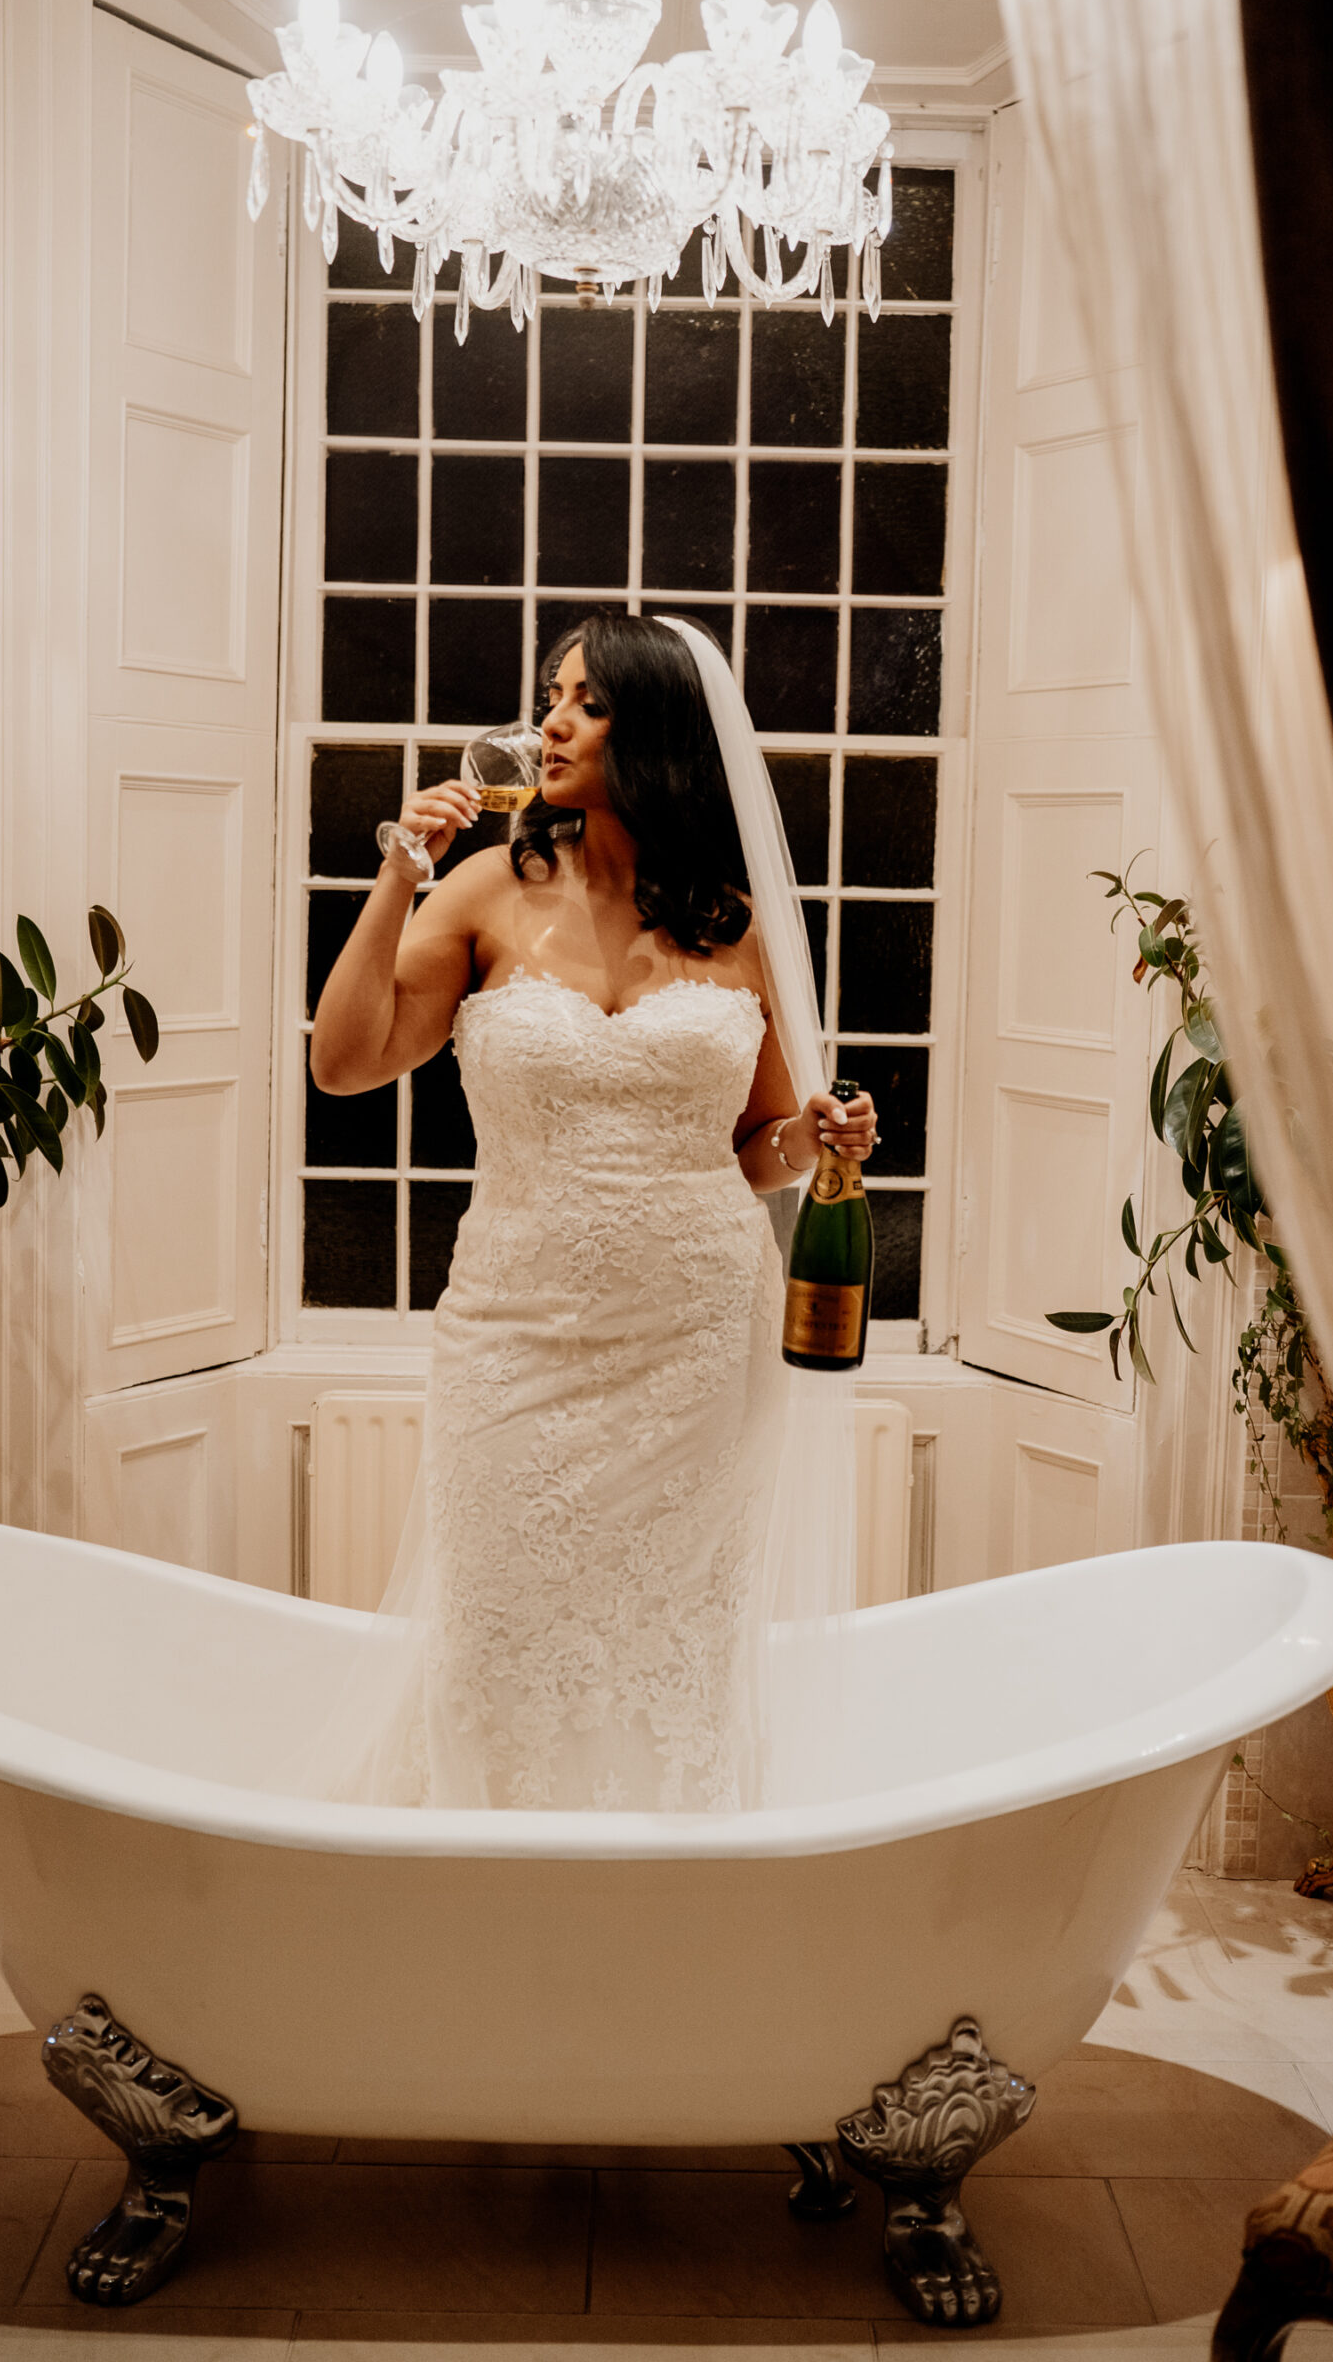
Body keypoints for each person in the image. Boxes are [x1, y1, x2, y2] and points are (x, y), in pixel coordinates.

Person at [307, 611, 877, 1812]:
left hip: (700, 1345)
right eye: (550, 696)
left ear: (658, 730)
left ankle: (665, 1900)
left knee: (675, 1645)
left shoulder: (735, 924)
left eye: (588, 701)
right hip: (514, 1337)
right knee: (497, 1628)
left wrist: (815, 1135)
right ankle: (491, 1905)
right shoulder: (479, 893)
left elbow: (754, 1151)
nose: (551, 722)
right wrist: (396, 873)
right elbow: (344, 1061)